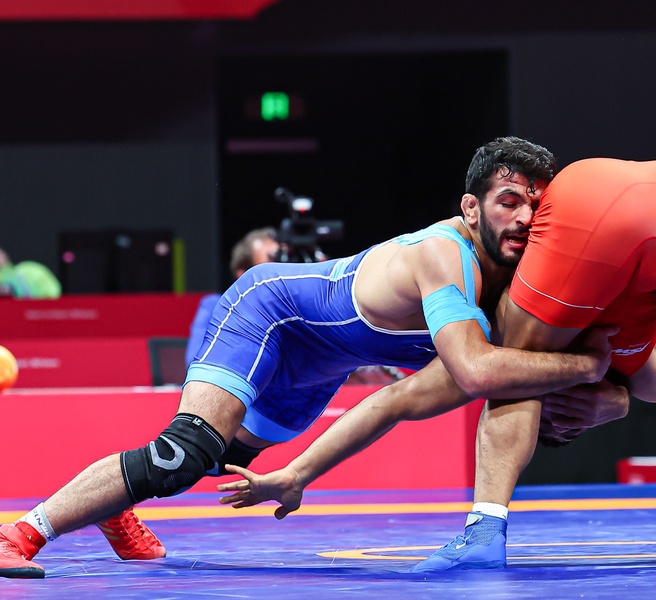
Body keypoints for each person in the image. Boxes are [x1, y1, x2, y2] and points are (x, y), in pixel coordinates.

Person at [0, 136, 620, 579]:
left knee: (220, 465)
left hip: (321, 360)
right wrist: (586, 369)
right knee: (180, 455)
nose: (524, 216)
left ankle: (116, 506)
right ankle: (19, 533)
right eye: (509, 200)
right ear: (470, 207)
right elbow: (478, 372)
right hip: (273, 311)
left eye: (536, 205)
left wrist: (608, 395)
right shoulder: (444, 257)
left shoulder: (521, 286)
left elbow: (393, 402)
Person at [215, 155, 656, 563]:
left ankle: (486, 529)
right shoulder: (640, 360)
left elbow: (392, 403)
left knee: (508, 380)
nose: (576, 423)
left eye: (568, 424)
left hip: (618, 219)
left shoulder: (520, 333)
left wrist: (297, 473)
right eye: (576, 425)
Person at [185, 227, 281, 368]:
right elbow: (195, 363)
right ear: (244, 275)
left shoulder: (298, 309)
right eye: (272, 258)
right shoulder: (215, 306)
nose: (283, 270)